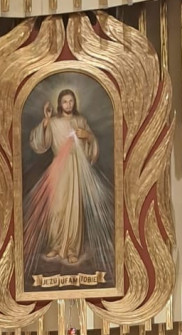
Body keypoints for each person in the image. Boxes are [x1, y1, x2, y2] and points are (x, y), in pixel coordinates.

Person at [24, 86, 114, 279]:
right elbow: (39, 143)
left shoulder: (80, 121)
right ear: (60, 103)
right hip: (59, 167)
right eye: (65, 101)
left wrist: (88, 137)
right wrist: (46, 121)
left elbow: (91, 144)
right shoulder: (54, 122)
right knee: (57, 208)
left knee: (73, 209)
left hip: (75, 169)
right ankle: (56, 246)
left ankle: (72, 248)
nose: (68, 104)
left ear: (74, 102)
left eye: (71, 101)